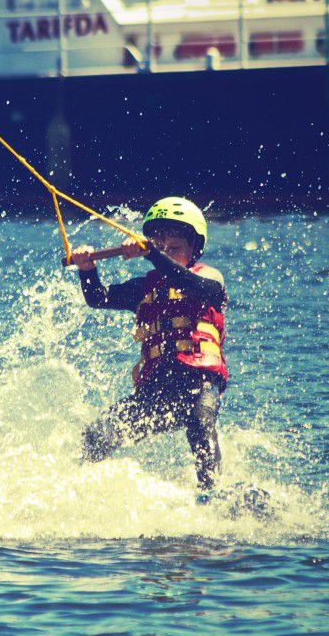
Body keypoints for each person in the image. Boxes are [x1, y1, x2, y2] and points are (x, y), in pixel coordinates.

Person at [72, 197, 228, 491]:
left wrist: (154, 254)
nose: (167, 254)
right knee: (97, 434)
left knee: (199, 423)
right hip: (158, 389)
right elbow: (98, 298)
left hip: (200, 383)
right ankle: (79, 490)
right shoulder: (143, 288)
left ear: (194, 249)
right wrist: (87, 268)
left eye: (175, 249)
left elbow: (193, 286)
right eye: (161, 246)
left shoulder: (209, 279)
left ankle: (213, 495)